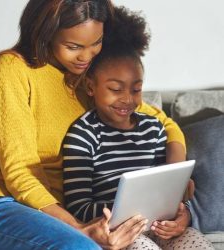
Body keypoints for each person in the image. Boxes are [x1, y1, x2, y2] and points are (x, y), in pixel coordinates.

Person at [0, 0, 188, 249]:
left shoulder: (91, 78)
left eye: (96, 43)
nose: (86, 57)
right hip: (1, 200)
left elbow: (166, 124)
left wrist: (174, 188)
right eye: (73, 46)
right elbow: (19, 172)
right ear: (46, 34)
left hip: (62, 211)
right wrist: (79, 228)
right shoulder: (13, 69)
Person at [63, 6, 214, 250]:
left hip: (158, 226)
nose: (127, 99)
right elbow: (77, 205)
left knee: (197, 243)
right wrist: (121, 211)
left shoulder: (153, 129)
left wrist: (181, 213)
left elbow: (168, 189)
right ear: (91, 87)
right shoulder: (83, 135)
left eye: (136, 89)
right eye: (115, 89)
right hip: (119, 232)